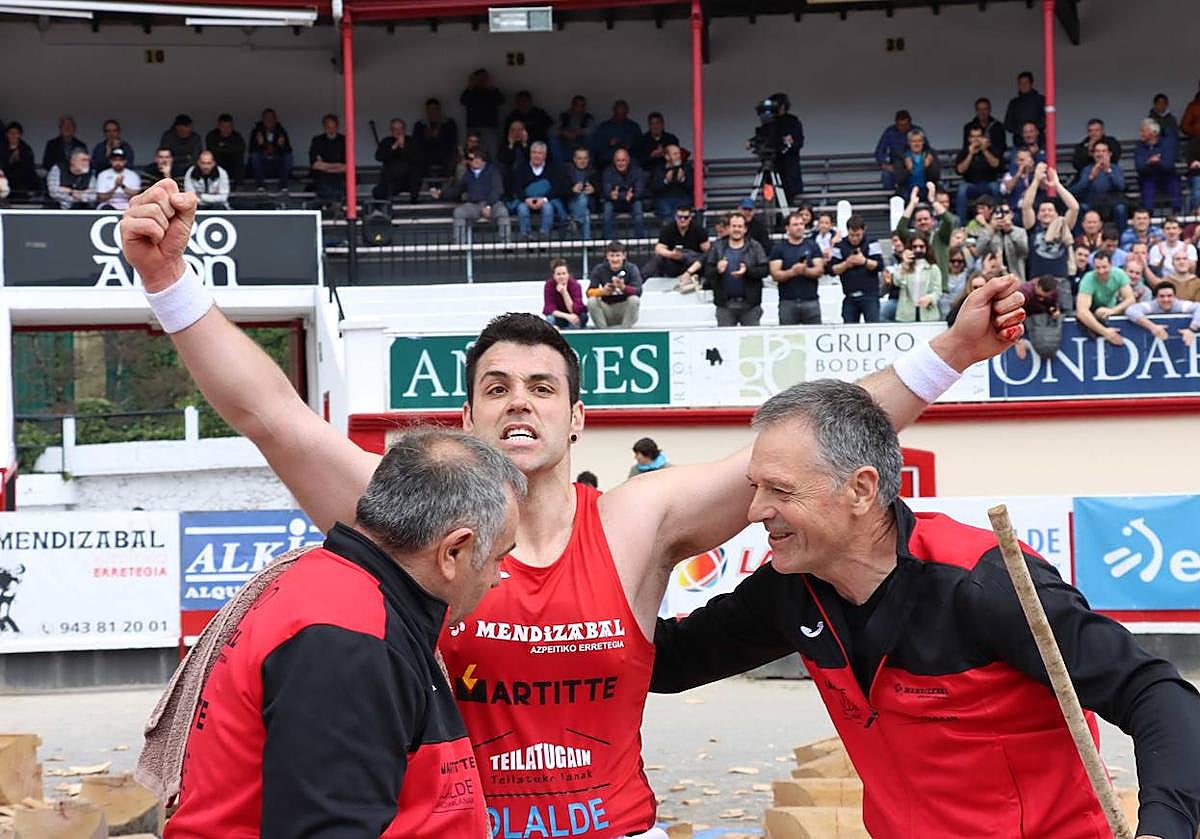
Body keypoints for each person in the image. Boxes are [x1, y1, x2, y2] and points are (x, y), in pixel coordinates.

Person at [118, 176, 1026, 839]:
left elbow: (803, 445)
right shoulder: (409, 512)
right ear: (465, 416)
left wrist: (949, 349)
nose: (521, 402)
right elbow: (270, 415)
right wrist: (168, 281)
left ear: (578, 416)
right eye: (498, 387)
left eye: (544, 387)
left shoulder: (639, 521)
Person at [650, 378, 1200, 839]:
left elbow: (1154, 692)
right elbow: (669, 661)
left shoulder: (985, 583)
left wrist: (1164, 827)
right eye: (754, 487)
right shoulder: (790, 588)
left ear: (862, 490)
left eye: (779, 490)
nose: (754, 510)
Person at [164, 427, 524, 837]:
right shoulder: (347, 641)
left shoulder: (345, 595)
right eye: (497, 557)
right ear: (453, 551)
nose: (498, 577)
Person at [1021, 164, 1079, 313]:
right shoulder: (1033, 228)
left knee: (1065, 317)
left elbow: (1074, 208)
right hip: (1037, 284)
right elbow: (1026, 206)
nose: (1046, 213)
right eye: (1042, 210)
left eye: (1050, 210)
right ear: (1038, 214)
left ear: (1055, 213)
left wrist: (1057, 185)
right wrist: (1035, 181)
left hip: (1060, 282)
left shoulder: (1063, 226)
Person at [433, 148, 510, 246]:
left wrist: (488, 206)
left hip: (492, 204)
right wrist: (441, 193)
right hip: (474, 206)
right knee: (459, 212)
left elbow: (498, 189)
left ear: (482, 159)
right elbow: (457, 189)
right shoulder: (468, 175)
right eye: (471, 159)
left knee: (503, 212)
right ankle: (460, 245)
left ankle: (506, 244)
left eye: (477, 158)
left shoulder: (493, 171)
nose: (474, 161)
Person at [704, 213, 769, 327]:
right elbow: (708, 271)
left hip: (750, 305)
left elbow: (764, 270)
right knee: (726, 342)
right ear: (728, 228)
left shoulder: (755, 246)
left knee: (751, 342)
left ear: (745, 229)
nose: (737, 229)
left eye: (740, 226)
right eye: (734, 226)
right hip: (725, 305)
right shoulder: (717, 246)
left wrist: (748, 271)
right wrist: (718, 269)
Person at [769, 210, 825, 325]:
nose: (799, 227)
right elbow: (775, 274)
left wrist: (805, 270)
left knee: (814, 338)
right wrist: (792, 272)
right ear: (787, 228)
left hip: (811, 300)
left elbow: (820, 270)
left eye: (801, 224)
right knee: (787, 340)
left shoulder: (812, 245)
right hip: (787, 302)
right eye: (795, 225)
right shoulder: (779, 248)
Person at [832, 214, 884, 323]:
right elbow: (832, 270)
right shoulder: (839, 246)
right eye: (852, 235)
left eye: (858, 235)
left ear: (864, 230)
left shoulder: (872, 243)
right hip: (849, 296)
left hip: (870, 295)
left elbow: (879, 265)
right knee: (849, 329)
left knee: (873, 327)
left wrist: (864, 261)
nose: (855, 238)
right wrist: (846, 264)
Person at [1075, 251, 1134, 346]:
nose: (1101, 271)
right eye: (1097, 268)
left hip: (1112, 308)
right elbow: (1082, 312)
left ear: (1111, 265)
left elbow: (1130, 299)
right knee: (1099, 312)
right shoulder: (1088, 279)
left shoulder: (1119, 274)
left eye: (1104, 267)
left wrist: (1113, 311)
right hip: (1092, 314)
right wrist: (1106, 332)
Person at [640, 204, 709, 284]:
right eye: (680, 217)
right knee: (658, 259)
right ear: (675, 217)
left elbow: (708, 251)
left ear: (690, 218)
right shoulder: (668, 229)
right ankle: (640, 281)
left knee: (705, 260)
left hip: (693, 262)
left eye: (686, 217)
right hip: (674, 261)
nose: (682, 220)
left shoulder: (698, 230)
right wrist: (671, 254)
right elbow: (658, 249)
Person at [1069, 139, 1127, 231]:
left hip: (1111, 203)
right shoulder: (1087, 169)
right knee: (1081, 208)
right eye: (1097, 151)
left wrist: (1108, 171)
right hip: (1092, 203)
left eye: (1104, 151)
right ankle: (1079, 239)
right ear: (1093, 154)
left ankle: (1122, 239)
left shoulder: (1116, 168)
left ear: (1109, 154)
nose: (1100, 154)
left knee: (1121, 209)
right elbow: (1076, 190)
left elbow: (1121, 186)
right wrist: (1091, 177)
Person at [511, 141, 564, 238]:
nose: (536, 156)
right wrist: (526, 199)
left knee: (548, 208)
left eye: (540, 153)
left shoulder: (552, 168)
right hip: (526, 200)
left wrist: (544, 200)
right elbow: (516, 187)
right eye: (534, 152)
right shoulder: (521, 167)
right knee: (522, 209)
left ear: (545, 155)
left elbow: (557, 187)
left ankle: (544, 235)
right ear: (530, 154)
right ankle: (526, 236)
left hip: (546, 200)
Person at [1126, 280, 1200, 347]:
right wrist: (1152, 327)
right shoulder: (1152, 305)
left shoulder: (1179, 305)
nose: (1166, 299)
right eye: (1162, 296)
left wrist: (1191, 330)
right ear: (1156, 297)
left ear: (1174, 296)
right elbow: (1130, 310)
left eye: (1169, 296)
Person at [587, 240, 643, 328]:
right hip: (606, 309)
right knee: (592, 301)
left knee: (634, 299)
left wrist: (623, 287)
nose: (615, 259)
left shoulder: (631, 268)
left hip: (624, 309)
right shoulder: (599, 269)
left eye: (618, 255)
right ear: (607, 256)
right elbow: (589, 292)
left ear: (624, 256)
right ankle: (603, 333)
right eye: (612, 256)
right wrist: (602, 291)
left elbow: (638, 291)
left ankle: (625, 332)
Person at [955, 125, 1003, 222]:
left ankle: (998, 220)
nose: (976, 139)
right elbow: (960, 170)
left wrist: (984, 150)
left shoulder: (991, 149)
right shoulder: (965, 151)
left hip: (989, 183)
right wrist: (970, 154)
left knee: (996, 188)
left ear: (983, 138)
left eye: (979, 136)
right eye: (973, 136)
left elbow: (997, 165)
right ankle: (962, 225)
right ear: (969, 139)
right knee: (961, 190)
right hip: (971, 184)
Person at [1135, 118, 1181, 214]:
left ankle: (1177, 214)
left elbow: (1168, 166)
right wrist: (1149, 162)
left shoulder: (1167, 144)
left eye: (1143, 131)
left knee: (1175, 184)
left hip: (1167, 176)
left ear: (1154, 133)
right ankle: (1148, 215)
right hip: (1148, 177)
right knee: (1147, 187)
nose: (1141, 134)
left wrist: (1158, 162)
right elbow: (1139, 168)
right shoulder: (1139, 147)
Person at [974, 203, 1029, 281]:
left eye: (1006, 212)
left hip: (1016, 277)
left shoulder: (1020, 232)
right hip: (992, 278)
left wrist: (1010, 231)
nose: (1002, 216)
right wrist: (991, 230)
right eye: (998, 212)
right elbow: (978, 251)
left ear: (1011, 215)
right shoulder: (986, 232)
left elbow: (1024, 252)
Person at [893, 236, 942, 322]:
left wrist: (930, 298)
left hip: (928, 313)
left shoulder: (933, 268)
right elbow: (897, 282)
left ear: (926, 248)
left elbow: (938, 291)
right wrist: (905, 265)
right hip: (906, 313)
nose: (918, 249)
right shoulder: (903, 266)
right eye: (914, 247)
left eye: (921, 246)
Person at [373, 119, 422, 204]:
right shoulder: (386, 141)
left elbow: (417, 158)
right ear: (391, 130)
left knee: (415, 171)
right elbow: (379, 157)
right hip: (391, 179)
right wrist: (394, 146)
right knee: (377, 193)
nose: (398, 131)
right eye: (395, 129)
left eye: (400, 129)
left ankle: (414, 201)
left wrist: (403, 146)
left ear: (404, 130)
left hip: (408, 179)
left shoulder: (411, 141)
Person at [601, 148, 645, 239]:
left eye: (623, 160)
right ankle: (608, 241)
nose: (621, 163)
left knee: (638, 210)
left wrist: (632, 196)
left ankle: (639, 242)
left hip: (632, 201)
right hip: (614, 202)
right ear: (614, 161)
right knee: (607, 210)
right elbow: (606, 192)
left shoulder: (637, 171)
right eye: (618, 160)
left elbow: (640, 191)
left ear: (628, 160)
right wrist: (612, 195)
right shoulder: (608, 171)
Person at [459, 68, 504, 155]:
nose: (481, 81)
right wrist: (470, 86)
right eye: (479, 79)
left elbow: (501, 101)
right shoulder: (471, 91)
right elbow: (463, 101)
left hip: (490, 129)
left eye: (484, 78)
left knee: (493, 155)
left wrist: (491, 87)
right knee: (473, 155)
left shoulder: (492, 91)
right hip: (473, 128)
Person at [413, 98, 458, 182]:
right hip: (426, 153)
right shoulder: (420, 124)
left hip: (444, 152)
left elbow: (452, 141)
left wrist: (439, 137)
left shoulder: (449, 123)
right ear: (426, 110)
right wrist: (428, 137)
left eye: (435, 109)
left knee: (451, 158)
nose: (433, 112)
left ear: (439, 110)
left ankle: (447, 184)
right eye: (430, 109)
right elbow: (416, 143)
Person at [874, 110, 921, 191]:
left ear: (910, 123)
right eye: (900, 125)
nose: (903, 127)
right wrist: (884, 164)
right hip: (896, 165)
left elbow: (927, 150)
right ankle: (891, 199)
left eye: (905, 125)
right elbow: (880, 151)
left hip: (915, 164)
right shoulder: (890, 132)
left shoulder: (917, 131)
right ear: (896, 123)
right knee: (886, 175)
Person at [557, 147, 598, 239]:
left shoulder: (593, 171)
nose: (582, 161)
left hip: (590, 203)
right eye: (579, 158)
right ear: (574, 159)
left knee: (583, 200)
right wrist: (572, 190)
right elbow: (560, 191)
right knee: (585, 215)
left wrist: (593, 190)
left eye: (585, 158)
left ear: (588, 159)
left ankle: (575, 221)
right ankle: (586, 243)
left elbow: (600, 190)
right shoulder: (567, 171)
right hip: (572, 203)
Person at [248, 109, 294, 190]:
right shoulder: (256, 131)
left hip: (276, 165)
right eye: (267, 117)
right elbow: (251, 151)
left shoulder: (281, 131)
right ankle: (261, 186)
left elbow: (288, 151)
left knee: (288, 156)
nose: (269, 120)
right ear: (263, 119)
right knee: (254, 156)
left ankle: (283, 186)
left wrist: (282, 146)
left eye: (272, 117)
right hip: (263, 165)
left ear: (276, 119)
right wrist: (260, 145)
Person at [309, 114, 347, 209]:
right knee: (322, 183)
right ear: (324, 127)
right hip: (321, 177)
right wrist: (337, 165)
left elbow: (346, 167)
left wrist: (325, 166)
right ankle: (333, 208)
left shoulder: (344, 140)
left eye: (333, 127)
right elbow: (315, 165)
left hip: (339, 176)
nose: (331, 130)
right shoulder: (317, 140)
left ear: (337, 127)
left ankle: (335, 208)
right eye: (328, 127)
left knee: (343, 183)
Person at [590, 100, 640, 168]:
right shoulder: (604, 127)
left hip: (628, 161)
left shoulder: (633, 126)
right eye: (618, 113)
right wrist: (608, 143)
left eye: (623, 113)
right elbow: (595, 147)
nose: (621, 116)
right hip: (608, 161)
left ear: (627, 112)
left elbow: (641, 145)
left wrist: (630, 146)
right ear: (614, 111)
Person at [543, 258, 587, 329]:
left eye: (564, 273)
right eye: (558, 274)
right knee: (549, 319)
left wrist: (564, 292)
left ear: (568, 274)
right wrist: (567, 316)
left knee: (583, 317)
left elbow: (575, 310)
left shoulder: (575, 285)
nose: (562, 277)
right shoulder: (549, 285)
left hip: (574, 316)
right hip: (560, 316)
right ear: (554, 276)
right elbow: (549, 309)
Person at [632, 112, 679, 178]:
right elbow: (638, 161)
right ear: (649, 126)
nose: (655, 126)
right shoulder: (641, 140)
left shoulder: (671, 139)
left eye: (658, 123)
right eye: (652, 124)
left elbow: (677, 159)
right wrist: (651, 156)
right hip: (648, 173)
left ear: (662, 124)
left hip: (668, 172)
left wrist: (664, 154)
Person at [1003, 71, 1044, 146]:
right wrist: (1022, 131)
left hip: (1039, 143)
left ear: (1031, 83)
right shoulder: (1014, 103)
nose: (1023, 85)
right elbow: (1007, 124)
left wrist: (1032, 130)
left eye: (1026, 82)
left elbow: (1046, 120)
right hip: (1019, 143)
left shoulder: (1041, 100)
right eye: (1021, 83)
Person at [205, 114, 246, 187]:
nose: (226, 129)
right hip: (218, 163)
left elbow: (241, 148)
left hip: (232, 163)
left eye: (229, 127)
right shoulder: (212, 135)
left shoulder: (236, 136)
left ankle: (239, 185)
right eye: (223, 127)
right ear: (218, 126)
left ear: (232, 127)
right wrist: (229, 148)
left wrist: (223, 148)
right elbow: (212, 150)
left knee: (238, 159)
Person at [896, 129, 938, 196]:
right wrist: (907, 169)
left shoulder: (930, 155)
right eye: (914, 141)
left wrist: (929, 166)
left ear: (923, 142)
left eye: (919, 141)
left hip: (927, 189)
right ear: (909, 142)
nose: (917, 144)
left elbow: (936, 177)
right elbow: (899, 180)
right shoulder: (901, 156)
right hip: (907, 190)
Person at [3, 122, 39, 195]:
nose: (13, 135)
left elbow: (29, 167)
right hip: (4, 182)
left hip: (22, 184)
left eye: (16, 133)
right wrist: (10, 160)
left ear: (20, 135)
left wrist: (20, 160)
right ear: (6, 134)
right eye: (10, 132)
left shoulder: (26, 149)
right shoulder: (2, 148)